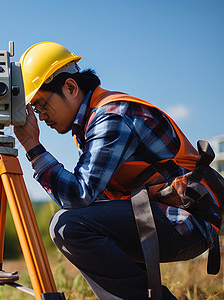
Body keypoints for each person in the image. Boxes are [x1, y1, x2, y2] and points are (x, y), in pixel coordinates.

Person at [13, 42, 222, 300]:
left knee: (67, 226)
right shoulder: (90, 123)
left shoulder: (111, 116)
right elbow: (86, 199)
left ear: (70, 87)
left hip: (188, 221)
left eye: (42, 105)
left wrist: (34, 148)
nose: (41, 117)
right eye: (35, 110)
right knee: (79, 219)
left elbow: (78, 195)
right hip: (158, 213)